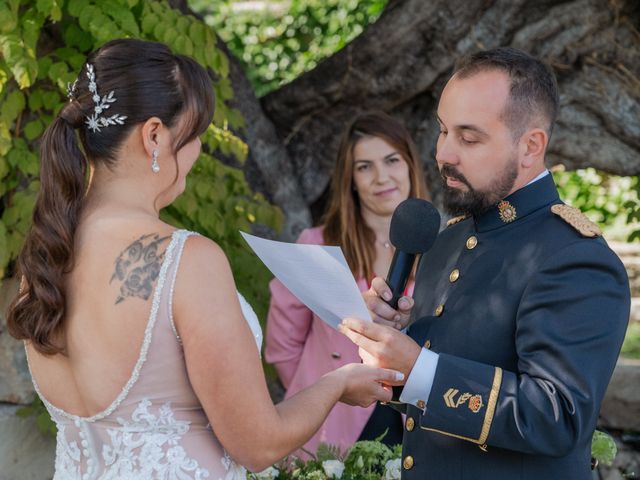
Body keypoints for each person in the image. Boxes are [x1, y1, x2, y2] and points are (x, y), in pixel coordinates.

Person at [5, 39, 403, 479]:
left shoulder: (44, 256)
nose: (196, 154)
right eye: (194, 135)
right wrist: (338, 383)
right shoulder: (186, 260)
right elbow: (259, 444)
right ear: (155, 135)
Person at [339, 47, 630, 479]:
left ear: (531, 146)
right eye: (443, 131)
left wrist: (419, 367)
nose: (444, 154)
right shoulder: (448, 240)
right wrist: (395, 347)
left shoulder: (575, 257)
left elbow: (558, 416)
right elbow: (432, 401)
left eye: (469, 138)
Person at [265, 112, 429, 456]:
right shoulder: (317, 248)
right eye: (365, 166)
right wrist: (322, 384)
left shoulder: (444, 251)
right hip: (331, 424)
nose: (381, 177)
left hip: (416, 427)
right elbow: (283, 348)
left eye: (391, 160)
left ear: (411, 164)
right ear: (351, 178)